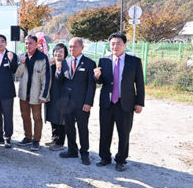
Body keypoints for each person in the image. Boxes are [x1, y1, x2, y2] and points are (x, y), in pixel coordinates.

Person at [94, 32, 145, 172]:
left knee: (124, 133)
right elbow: (102, 81)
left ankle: (121, 160)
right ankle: (104, 157)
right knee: (105, 131)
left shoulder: (134, 61)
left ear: (125, 45)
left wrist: (139, 102)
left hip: (126, 103)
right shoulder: (104, 60)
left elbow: (139, 84)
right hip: (107, 102)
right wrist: (97, 77)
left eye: (118, 43)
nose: (115, 46)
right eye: (112, 44)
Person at [57, 37, 96, 166]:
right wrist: (58, 71)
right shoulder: (65, 62)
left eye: (74, 46)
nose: (71, 49)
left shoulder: (89, 63)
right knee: (69, 127)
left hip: (82, 102)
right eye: (70, 47)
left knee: (82, 128)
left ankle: (84, 153)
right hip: (67, 102)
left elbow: (91, 85)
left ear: (82, 47)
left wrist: (88, 102)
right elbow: (61, 80)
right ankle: (72, 150)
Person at [15, 35, 51, 151]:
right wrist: (21, 63)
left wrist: (43, 95)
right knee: (25, 116)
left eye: (30, 43)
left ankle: (36, 140)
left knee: (37, 117)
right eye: (26, 43)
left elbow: (47, 78)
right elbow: (18, 74)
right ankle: (27, 137)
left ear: (36, 44)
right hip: (24, 93)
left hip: (36, 93)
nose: (28, 46)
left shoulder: (42, 58)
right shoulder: (22, 57)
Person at [44, 43, 68, 151]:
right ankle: (54, 138)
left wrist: (59, 69)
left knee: (61, 119)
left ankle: (60, 142)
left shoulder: (67, 64)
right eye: (56, 51)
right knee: (52, 117)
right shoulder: (51, 65)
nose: (58, 53)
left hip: (62, 96)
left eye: (61, 51)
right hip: (52, 95)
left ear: (65, 54)